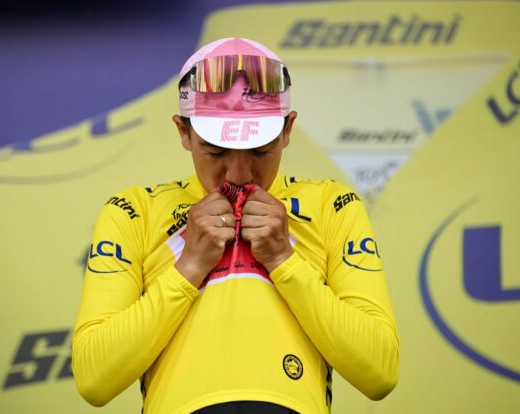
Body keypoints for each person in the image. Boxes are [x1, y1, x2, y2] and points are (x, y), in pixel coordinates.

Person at [72, 37, 399, 414]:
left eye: (261, 151)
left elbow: (380, 373)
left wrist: (284, 260)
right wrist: (190, 265)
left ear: (288, 130)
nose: (239, 173)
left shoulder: (332, 205)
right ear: (183, 132)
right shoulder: (134, 211)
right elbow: (94, 379)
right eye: (215, 151)